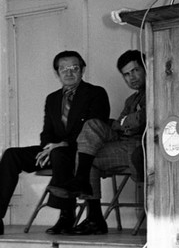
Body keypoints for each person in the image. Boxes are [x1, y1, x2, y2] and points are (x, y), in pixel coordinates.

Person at [0, 50, 110, 235]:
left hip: (80, 152)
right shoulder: (52, 99)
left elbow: (95, 126)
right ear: (57, 73)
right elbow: (47, 131)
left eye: (74, 68)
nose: (68, 72)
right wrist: (48, 148)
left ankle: (66, 217)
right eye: (63, 68)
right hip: (55, 150)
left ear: (82, 70)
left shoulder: (96, 93)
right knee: (12, 154)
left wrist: (63, 145)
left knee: (60, 154)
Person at [60, 49, 146, 235]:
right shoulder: (131, 99)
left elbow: (141, 119)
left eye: (136, 71)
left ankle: (95, 217)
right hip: (124, 142)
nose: (132, 77)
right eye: (126, 74)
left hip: (141, 147)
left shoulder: (159, 91)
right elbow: (123, 123)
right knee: (90, 136)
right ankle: (94, 216)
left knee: (86, 157)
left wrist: (123, 123)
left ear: (146, 68)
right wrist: (124, 123)